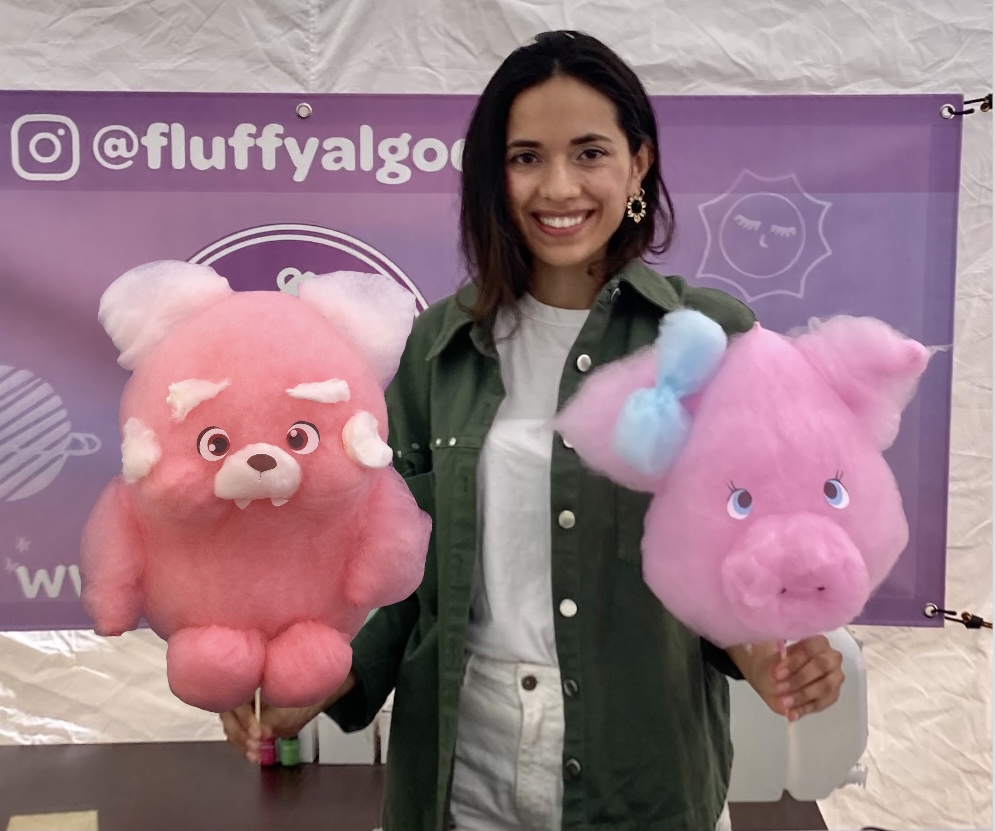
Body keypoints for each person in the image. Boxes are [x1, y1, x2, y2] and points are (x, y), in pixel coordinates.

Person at [221, 30, 845, 831]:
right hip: (460, 774)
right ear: (493, 174)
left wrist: (771, 656)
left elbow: (741, 555)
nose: (558, 186)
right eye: (525, 158)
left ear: (638, 164)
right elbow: (397, 573)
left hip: (639, 775)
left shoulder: (707, 337)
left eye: (589, 153)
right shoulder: (435, 348)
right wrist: (314, 680)